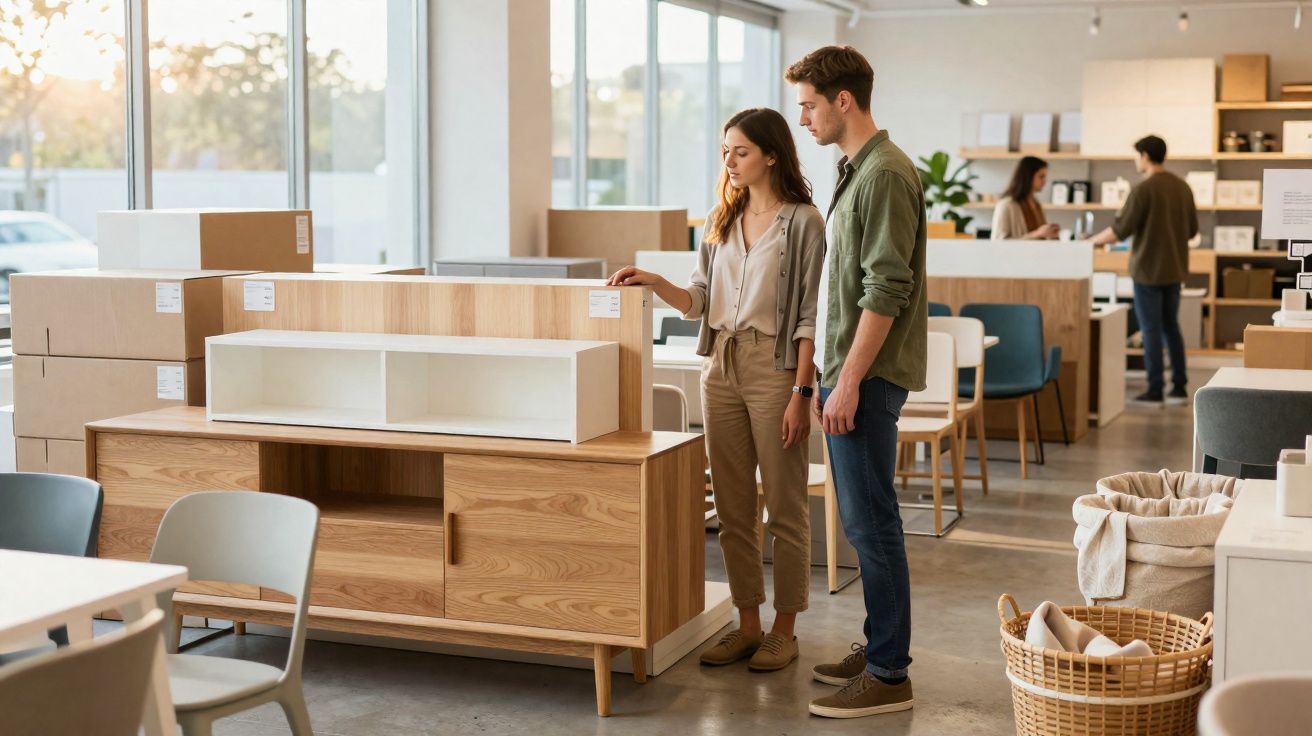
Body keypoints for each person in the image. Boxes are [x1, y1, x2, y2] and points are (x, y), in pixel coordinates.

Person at [607, 107, 825, 673]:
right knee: (730, 508)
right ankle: (747, 624)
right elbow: (700, 300)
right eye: (725, 151)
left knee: (784, 507)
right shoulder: (721, 219)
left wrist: (803, 393)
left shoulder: (803, 222)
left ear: (772, 155)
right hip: (721, 366)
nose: (729, 162)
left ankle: (785, 628)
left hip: (775, 370)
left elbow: (807, 317)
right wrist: (657, 283)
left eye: (741, 152)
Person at [785, 45, 927, 719]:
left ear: (844, 101)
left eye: (810, 104)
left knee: (872, 525)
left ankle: (888, 672)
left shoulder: (885, 175)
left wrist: (845, 385)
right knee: (865, 521)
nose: (803, 117)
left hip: (864, 380)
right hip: (849, 375)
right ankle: (879, 644)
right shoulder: (857, 170)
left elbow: (885, 289)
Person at [1090, 135, 1197, 404]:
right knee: (1171, 327)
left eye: (1137, 155)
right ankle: (1180, 385)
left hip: (1148, 271)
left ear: (1146, 156)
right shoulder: (1183, 187)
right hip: (1175, 269)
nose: (1136, 160)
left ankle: (1154, 388)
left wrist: (1089, 242)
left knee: (1150, 329)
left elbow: (1119, 230)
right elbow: (1193, 230)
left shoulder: (1142, 189)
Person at [991, 155, 1060, 240]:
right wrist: (1037, 233)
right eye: (1041, 176)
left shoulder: (1036, 204)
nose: (1044, 181)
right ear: (1028, 176)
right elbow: (998, 241)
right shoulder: (1006, 205)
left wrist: (1050, 234)